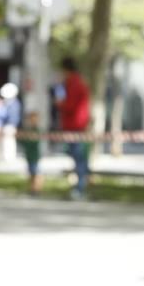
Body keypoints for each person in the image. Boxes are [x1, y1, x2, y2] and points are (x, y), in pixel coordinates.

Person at [55, 56, 91, 199]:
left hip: (75, 126)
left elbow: (70, 105)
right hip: (75, 125)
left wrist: (60, 103)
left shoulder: (74, 84)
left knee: (79, 158)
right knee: (77, 157)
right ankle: (79, 186)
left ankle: (80, 188)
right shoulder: (73, 83)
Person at [18, 108, 44, 195]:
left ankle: (36, 189)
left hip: (34, 155)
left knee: (35, 172)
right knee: (31, 172)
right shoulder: (28, 130)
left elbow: (33, 142)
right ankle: (32, 188)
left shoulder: (36, 130)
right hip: (29, 155)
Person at [0, 82, 22, 163]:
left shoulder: (13, 104)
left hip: (9, 125)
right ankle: (6, 157)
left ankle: (8, 157)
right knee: (7, 141)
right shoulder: (12, 103)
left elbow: (6, 115)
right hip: (9, 125)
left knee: (8, 141)